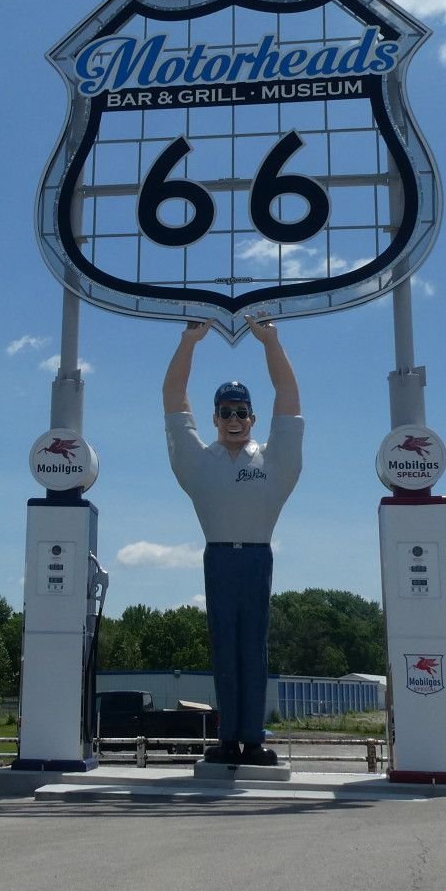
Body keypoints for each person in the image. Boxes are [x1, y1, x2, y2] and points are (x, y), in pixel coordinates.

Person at [162, 315, 303, 766]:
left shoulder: (275, 462)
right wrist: (189, 343)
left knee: (254, 648)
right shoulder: (197, 463)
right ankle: (227, 739)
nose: (234, 419)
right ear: (215, 418)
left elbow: (289, 400)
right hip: (218, 557)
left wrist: (271, 344)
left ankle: (253, 738)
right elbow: (172, 402)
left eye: (242, 411)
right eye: (225, 412)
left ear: (253, 417)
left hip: (257, 557)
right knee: (224, 644)